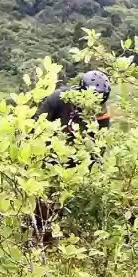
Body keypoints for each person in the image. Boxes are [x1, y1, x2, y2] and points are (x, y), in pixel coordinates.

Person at [32, 70, 112, 243]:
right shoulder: (59, 98)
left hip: (75, 166)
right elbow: (36, 126)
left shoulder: (101, 111)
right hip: (49, 158)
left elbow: (100, 143)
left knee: (63, 208)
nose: (96, 104)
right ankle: (36, 241)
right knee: (41, 206)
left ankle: (55, 241)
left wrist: (89, 170)